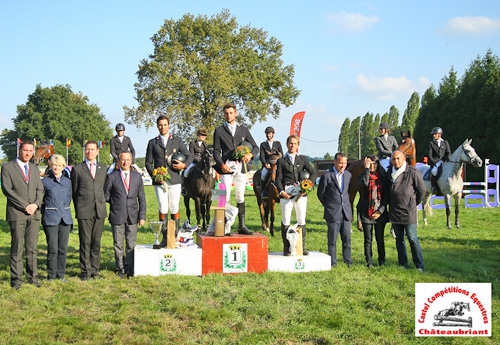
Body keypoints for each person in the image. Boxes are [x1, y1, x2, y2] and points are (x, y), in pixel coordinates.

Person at [1, 140, 44, 289]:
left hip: (33, 214)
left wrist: (36, 204)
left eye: (30, 151)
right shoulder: (7, 168)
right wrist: (25, 206)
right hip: (17, 213)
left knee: (32, 248)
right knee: (17, 247)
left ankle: (33, 277)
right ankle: (16, 279)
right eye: (25, 150)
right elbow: (7, 190)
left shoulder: (34, 168)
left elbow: (40, 189)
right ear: (19, 150)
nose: (27, 153)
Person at [146, 115, 192, 245]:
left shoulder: (177, 140)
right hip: (159, 181)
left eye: (165, 125)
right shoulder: (152, 142)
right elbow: (148, 163)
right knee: (163, 207)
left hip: (175, 179)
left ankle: (174, 236)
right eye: (160, 125)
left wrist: (184, 165)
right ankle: (165, 237)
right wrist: (155, 175)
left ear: (169, 125)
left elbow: (189, 156)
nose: (162, 127)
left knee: (174, 206)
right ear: (157, 126)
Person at [213, 102, 259, 235]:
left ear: (236, 113)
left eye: (231, 113)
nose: (229, 115)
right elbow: (216, 151)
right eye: (226, 113)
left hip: (241, 168)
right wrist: (222, 165)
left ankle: (242, 226)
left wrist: (250, 155)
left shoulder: (244, 129)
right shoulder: (219, 131)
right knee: (223, 197)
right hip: (226, 167)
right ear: (224, 114)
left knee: (240, 196)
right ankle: (223, 227)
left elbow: (255, 147)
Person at [105, 151, 146, 278]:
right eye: (123, 160)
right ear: (118, 161)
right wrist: (116, 202)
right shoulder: (112, 176)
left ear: (131, 160)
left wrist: (142, 216)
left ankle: (130, 267)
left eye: (128, 160)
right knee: (118, 244)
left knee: (131, 244)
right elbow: (106, 195)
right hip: (117, 214)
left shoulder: (137, 176)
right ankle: (120, 268)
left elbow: (142, 197)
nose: (125, 162)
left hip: (133, 215)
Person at [71, 140, 107, 280]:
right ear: (85, 151)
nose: (90, 152)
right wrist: (79, 206)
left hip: (99, 210)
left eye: (92, 149)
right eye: (87, 149)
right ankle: (85, 271)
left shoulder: (103, 168)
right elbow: (74, 191)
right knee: (85, 241)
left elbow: (104, 188)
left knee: (96, 241)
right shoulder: (77, 168)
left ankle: (95, 270)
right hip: (84, 209)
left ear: (97, 151)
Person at [275, 135, 316, 255]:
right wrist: (282, 192)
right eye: (290, 143)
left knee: (301, 220)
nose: (292, 145)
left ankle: (301, 247)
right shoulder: (281, 161)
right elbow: (278, 179)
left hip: (300, 195)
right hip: (287, 194)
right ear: (287, 144)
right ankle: (287, 248)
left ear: (298, 145)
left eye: (295, 143)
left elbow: (313, 172)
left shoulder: (302, 159)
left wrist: (309, 185)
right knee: (286, 220)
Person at [389, 150, 426, 271]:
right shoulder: (389, 172)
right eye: (394, 159)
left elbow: (422, 191)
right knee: (399, 239)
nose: (396, 161)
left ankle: (419, 265)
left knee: (412, 238)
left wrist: (413, 203)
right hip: (395, 211)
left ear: (404, 158)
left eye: (398, 158)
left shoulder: (412, 172)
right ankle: (403, 264)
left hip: (409, 212)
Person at [317, 152, 353, 267]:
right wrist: (329, 205)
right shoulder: (327, 176)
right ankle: (333, 263)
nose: (342, 165)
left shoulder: (348, 175)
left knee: (347, 240)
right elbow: (320, 194)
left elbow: (348, 192)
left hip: (346, 212)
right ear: (335, 162)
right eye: (340, 163)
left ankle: (348, 262)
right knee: (332, 241)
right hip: (333, 213)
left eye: (345, 163)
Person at [41, 154, 73, 282]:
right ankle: (51, 275)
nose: (56, 167)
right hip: (51, 217)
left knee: (62, 249)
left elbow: (69, 198)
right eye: (54, 165)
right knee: (53, 248)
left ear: (63, 167)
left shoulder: (67, 182)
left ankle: (61, 274)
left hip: (65, 218)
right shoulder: (45, 181)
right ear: (51, 166)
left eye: (59, 165)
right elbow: (42, 199)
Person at [357, 155, 389, 268]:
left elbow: (386, 196)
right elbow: (365, 183)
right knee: (368, 240)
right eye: (370, 164)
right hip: (366, 212)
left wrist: (380, 211)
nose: (372, 166)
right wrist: (366, 169)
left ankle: (382, 261)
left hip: (380, 213)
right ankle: (369, 262)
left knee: (380, 239)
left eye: (374, 163)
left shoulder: (383, 177)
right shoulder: (362, 176)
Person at [182, 127, 208, 195]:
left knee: (212, 172)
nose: (203, 136)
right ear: (198, 135)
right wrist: (198, 160)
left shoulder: (205, 145)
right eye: (201, 134)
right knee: (186, 171)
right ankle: (184, 188)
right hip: (193, 162)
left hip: (202, 163)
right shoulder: (192, 143)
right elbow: (191, 155)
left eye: (204, 135)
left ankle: (212, 188)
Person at [259, 126, 283, 199]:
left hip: (277, 165)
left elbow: (281, 155)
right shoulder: (263, 144)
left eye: (269, 133)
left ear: (273, 134)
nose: (268, 135)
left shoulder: (278, 143)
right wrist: (266, 164)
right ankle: (264, 191)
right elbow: (262, 156)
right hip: (268, 165)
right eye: (267, 134)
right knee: (263, 174)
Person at [427, 127, 451, 195]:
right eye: (433, 134)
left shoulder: (445, 142)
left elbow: (448, 152)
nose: (434, 135)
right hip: (435, 162)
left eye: (435, 134)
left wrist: (449, 159)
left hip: (444, 161)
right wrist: (433, 162)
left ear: (439, 135)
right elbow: (429, 154)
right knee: (434, 171)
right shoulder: (431, 143)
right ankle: (434, 187)